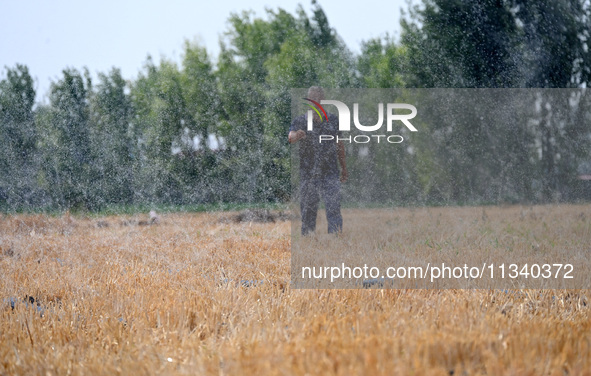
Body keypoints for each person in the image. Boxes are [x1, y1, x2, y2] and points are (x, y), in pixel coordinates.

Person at [288, 86, 348, 235]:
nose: (314, 102)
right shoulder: (301, 121)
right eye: (311, 98)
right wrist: (297, 136)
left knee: (333, 208)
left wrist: (344, 168)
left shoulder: (333, 120)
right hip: (308, 173)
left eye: (317, 99)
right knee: (308, 209)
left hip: (330, 172)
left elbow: (340, 145)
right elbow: (290, 137)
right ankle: (308, 239)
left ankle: (336, 238)